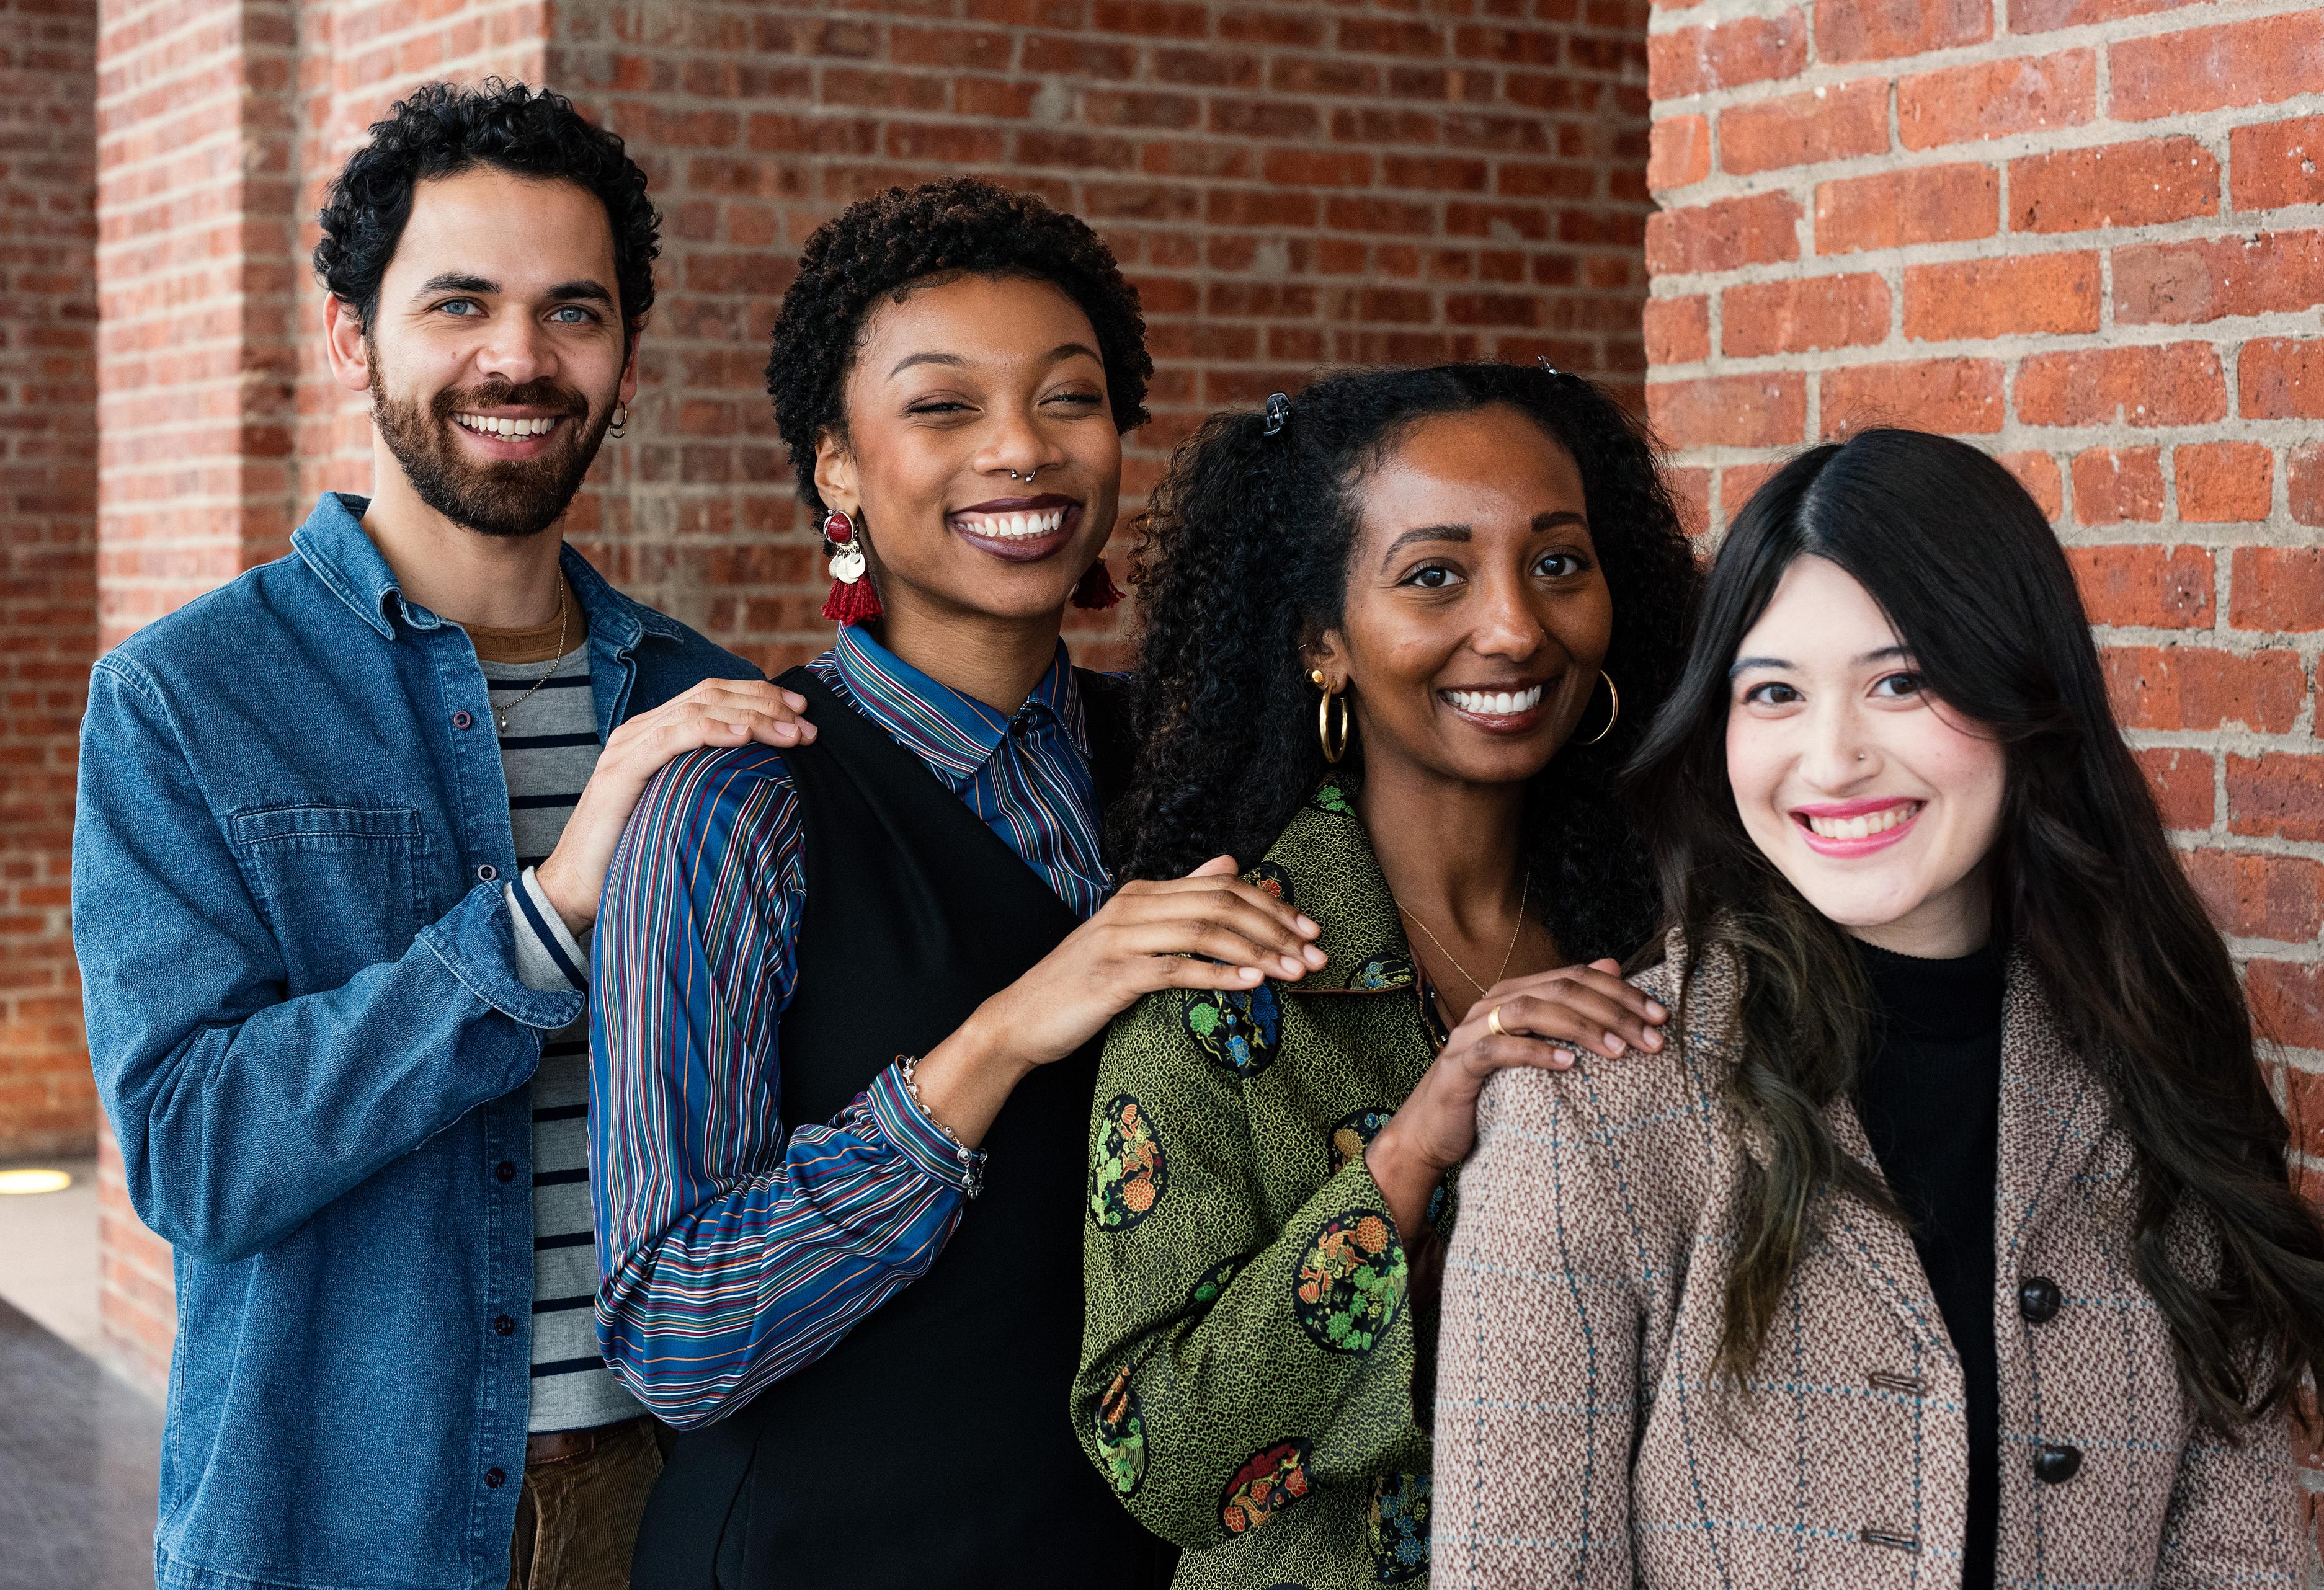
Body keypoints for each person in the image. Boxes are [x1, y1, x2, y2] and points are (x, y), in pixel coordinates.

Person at [70, 82, 809, 1590]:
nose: (519, 358)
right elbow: (196, 1150)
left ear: (627, 358)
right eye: (460, 302)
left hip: (665, 1506)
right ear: (354, 335)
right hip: (340, 1521)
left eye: (572, 312)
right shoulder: (184, 698)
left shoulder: (698, 700)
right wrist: (544, 920)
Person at [1434, 429, 2324, 1588]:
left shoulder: (2150, 1065)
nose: (1833, 757)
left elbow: (2243, 1559)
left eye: (1901, 681)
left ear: (2022, 694)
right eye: (1775, 693)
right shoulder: (1595, 1105)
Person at [590, 177, 1312, 1590]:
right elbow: (676, 1331)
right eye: (941, 408)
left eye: (1069, 399)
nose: (1021, 452)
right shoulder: (739, 801)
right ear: (838, 469)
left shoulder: (1190, 764)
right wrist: (996, 1040)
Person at [1073, 363, 1704, 1588]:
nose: (1517, 625)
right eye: (1434, 576)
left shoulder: (1675, 944)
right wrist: (1412, 1152)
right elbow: (1155, 1455)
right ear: (1324, 643)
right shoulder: (1226, 982)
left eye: (1560, 563)